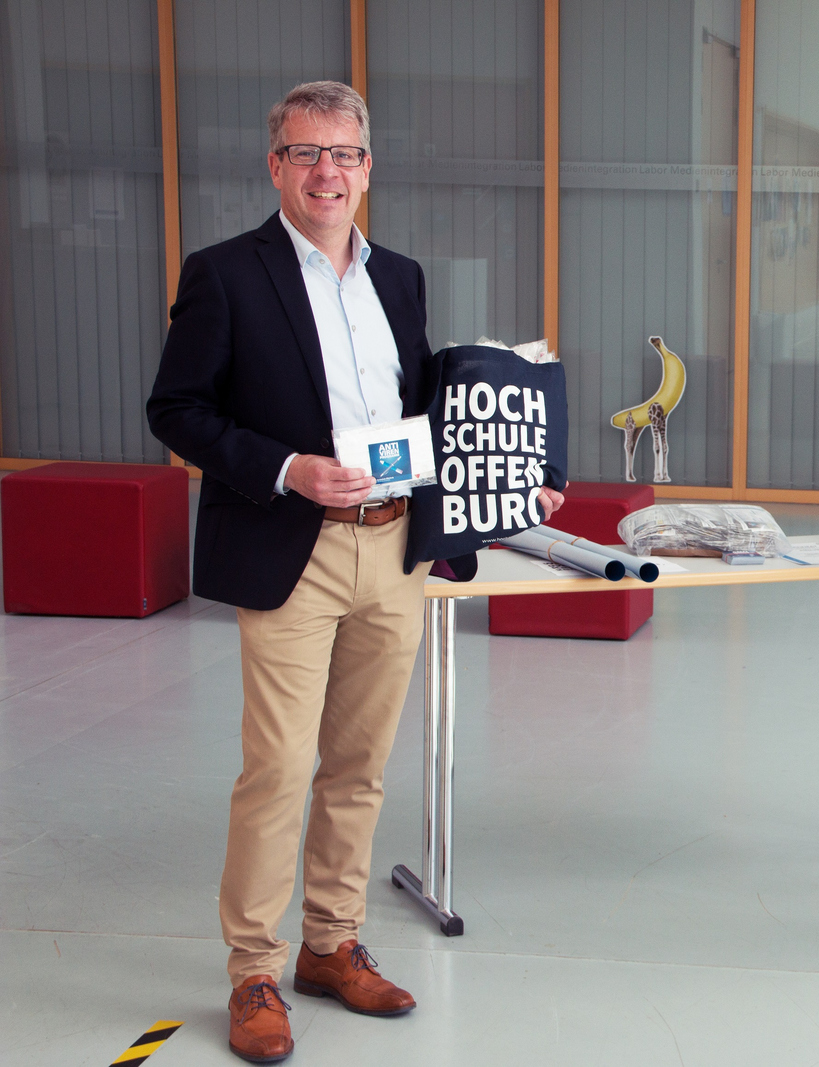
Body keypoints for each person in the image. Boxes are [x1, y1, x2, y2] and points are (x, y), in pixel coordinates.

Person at [147, 81, 561, 1062]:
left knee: (359, 766)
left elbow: (429, 409)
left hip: (395, 546)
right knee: (280, 768)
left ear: (368, 166)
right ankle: (254, 964)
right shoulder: (224, 273)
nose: (326, 170)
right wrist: (289, 468)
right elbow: (176, 409)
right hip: (292, 545)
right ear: (274, 165)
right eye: (304, 152)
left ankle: (330, 945)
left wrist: (515, 480)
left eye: (343, 153)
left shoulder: (401, 276)